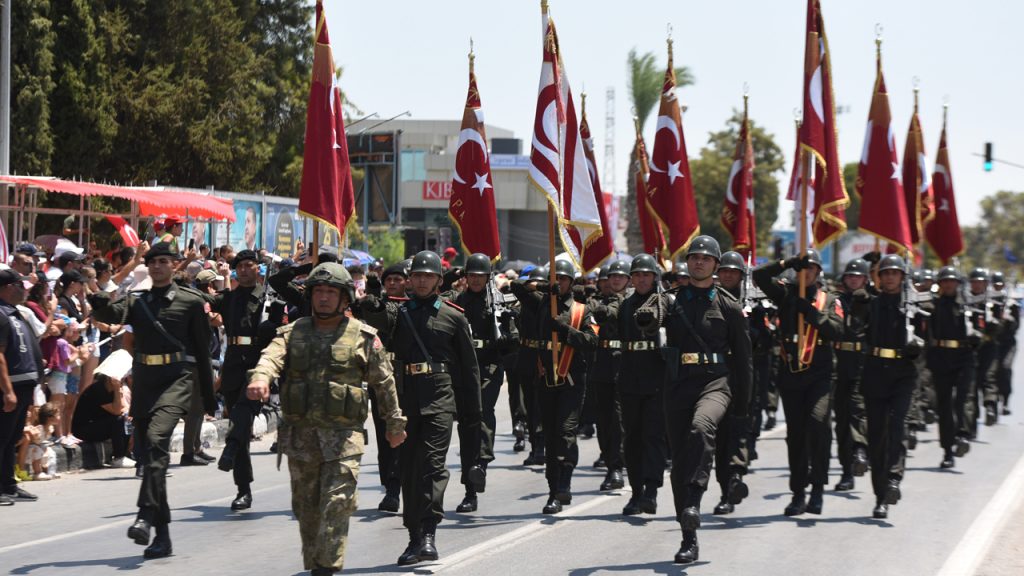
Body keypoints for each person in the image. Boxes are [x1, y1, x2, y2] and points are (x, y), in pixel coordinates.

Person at [246, 262, 406, 576]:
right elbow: (270, 358)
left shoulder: (363, 336)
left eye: (331, 292)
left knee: (337, 503)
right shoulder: (292, 333)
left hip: (343, 439)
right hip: (301, 439)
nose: (323, 297)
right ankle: (318, 562)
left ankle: (326, 567)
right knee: (306, 508)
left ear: (345, 298)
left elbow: (384, 383)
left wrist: (395, 424)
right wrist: (261, 378)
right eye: (318, 291)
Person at [89, 241, 216, 559]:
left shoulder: (190, 301)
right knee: (151, 458)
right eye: (153, 261)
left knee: (158, 441)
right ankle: (163, 537)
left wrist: (209, 398)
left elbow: (202, 352)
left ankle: (145, 514)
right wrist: (101, 292)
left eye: (163, 261)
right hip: (146, 382)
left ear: (174, 265)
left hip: (176, 381)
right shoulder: (137, 301)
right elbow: (107, 313)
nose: (157, 266)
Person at [660, 236, 751, 564]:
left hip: (716, 382)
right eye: (694, 257)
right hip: (678, 385)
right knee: (680, 462)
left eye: (706, 258)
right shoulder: (671, 301)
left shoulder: (728, 305)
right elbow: (648, 317)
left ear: (715, 265)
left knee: (701, 426)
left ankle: (695, 499)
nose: (699, 262)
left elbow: (744, 360)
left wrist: (743, 407)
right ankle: (689, 536)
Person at [390, 251, 480, 566]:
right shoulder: (398, 314)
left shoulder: (454, 317)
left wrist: (473, 413)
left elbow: (469, 369)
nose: (422, 281)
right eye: (417, 275)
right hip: (405, 401)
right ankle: (414, 535)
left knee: (432, 465)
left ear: (439, 281)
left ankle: (429, 533)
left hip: (440, 399)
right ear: (409, 280)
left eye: (428, 276)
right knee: (409, 470)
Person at [752, 248, 842, 517]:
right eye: (802, 268)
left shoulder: (829, 300)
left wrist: (811, 313)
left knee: (818, 423)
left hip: (820, 374)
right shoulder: (786, 294)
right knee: (797, 435)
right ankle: (798, 493)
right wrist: (788, 262)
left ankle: (818, 488)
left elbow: (837, 330)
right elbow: (759, 275)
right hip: (791, 374)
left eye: (811, 268)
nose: (806, 273)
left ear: (818, 272)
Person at [514, 259, 597, 515]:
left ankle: (565, 482)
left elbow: (591, 341)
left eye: (563, 279)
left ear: (571, 282)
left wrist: (564, 329)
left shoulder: (582, 310)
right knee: (549, 435)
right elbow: (516, 287)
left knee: (566, 431)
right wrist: (542, 287)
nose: (559, 282)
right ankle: (553, 491)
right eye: (555, 278)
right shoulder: (541, 303)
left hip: (571, 379)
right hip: (546, 379)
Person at [855, 254, 926, 519]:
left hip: (903, 374)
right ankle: (880, 496)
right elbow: (856, 319)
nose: (890, 277)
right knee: (877, 438)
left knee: (898, 428)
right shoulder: (871, 303)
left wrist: (918, 345)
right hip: (875, 373)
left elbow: (926, 337)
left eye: (895, 273)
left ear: (903, 277)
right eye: (885, 273)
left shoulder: (914, 306)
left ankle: (894, 480)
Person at [450, 253, 517, 513]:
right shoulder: (457, 302)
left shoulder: (499, 302)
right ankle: (470, 486)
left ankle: (481, 464)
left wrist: (508, 336)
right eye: (472, 275)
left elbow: (514, 337)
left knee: (482, 414)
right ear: (466, 277)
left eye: (480, 276)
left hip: (489, 367)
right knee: (467, 424)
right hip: (463, 369)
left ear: (488, 277)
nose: (476, 280)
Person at [210, 249, 269, 511]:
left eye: (249, 265)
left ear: (258, 268)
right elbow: (203, 301)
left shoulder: (268, 299)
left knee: (244, 411)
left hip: (259, 365)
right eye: (240, 266)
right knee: (239, 422)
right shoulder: (229, 298)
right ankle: (243, 489)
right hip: (234, 364)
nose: (244, 270)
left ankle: (230, 447)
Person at [616, 254, 669, 515]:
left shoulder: (664, 302)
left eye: (646, 274)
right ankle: (636, 492)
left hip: (656, 379)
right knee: (632, 438)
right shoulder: (626, 305)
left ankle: (651, 490)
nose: (641, 279)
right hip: (630, 379)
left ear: (654, 277)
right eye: (637, 275)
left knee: (653, 436)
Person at [709, 251, 752, 515]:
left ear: (740, 276)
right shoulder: (710, 300)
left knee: (740, 432)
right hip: (718, 376)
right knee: (723, 440)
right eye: (724, 271)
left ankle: (737, 475)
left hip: (744, 375)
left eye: (733, 272)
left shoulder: (753, 304)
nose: (727, 275)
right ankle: (727, 489)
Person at [0, 268, 46, 506]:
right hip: (9, 388)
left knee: (12, 438)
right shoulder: (1, 314)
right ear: (8, 288)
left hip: (24, 386)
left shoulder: (15, 312)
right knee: (2, 437)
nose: (24, 290)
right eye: (20, 286)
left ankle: (8, 485)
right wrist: (7, 391)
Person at [923, 266, 976, 469]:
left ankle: (963, 435)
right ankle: (947, 450)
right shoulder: (932, 305)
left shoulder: (969, 304)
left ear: (958, 283)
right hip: (940, 358)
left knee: (962, 398)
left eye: (952, 281)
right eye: (944, 281)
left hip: (964, 357)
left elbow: (982, 327)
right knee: (944, 405)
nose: (948, 284)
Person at [585, 259, 629, 492]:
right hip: (601, 363)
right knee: (603, 419)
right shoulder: (596, 301)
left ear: (628, 279)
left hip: (623, 363)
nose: (615, 280)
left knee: (619, 419)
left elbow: (611, 314)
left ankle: (618, 466)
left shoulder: (631, 302)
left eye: (620, 276)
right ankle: (610, 460)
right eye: (612, 276)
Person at [831, 259, 871, 491]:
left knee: (858, 410)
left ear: (865, 279)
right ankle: (847, 470)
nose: (853, 279)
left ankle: (860, 451)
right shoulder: (835, 301)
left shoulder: (871, 302)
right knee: (842, 421)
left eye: (858, 276)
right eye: (850, 276)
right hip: (838, 364)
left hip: (862, 364)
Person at [72, 352, 134, 469]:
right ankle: (118, 457)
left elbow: (123, 409)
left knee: (127, 419)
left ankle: (126, 453)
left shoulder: (115, 389)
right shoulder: (98, 389)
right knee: (118, 420)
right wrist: (117, 389)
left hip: (99, 423)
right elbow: (117, 411)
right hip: (83, 429)